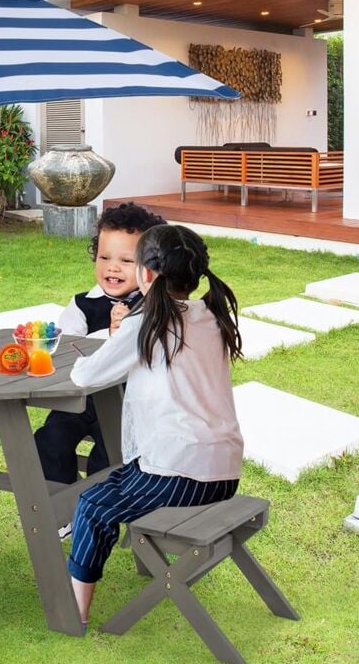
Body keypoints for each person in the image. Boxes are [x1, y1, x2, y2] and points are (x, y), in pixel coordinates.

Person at [67, 223, 244, 630]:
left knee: (93, 506)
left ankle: (73, 613)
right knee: (118, 479)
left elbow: (86, 377)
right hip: (224, 472)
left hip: (179, 473)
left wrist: (88, 355)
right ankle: (141, 568)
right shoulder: (211, 316)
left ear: (145, 273)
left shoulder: (145, 323)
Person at [34, 204, 166, 516]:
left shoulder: (155, 308)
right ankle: (63, 511)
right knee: (48, 441)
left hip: (128, 406)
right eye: (105, 257)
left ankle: (97, 514)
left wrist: (125, 335)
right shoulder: (83, 304)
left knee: (108, 458)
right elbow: (65, 347)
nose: (113, 267)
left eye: (126, 260)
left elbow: (157, 357)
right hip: (81, 401)